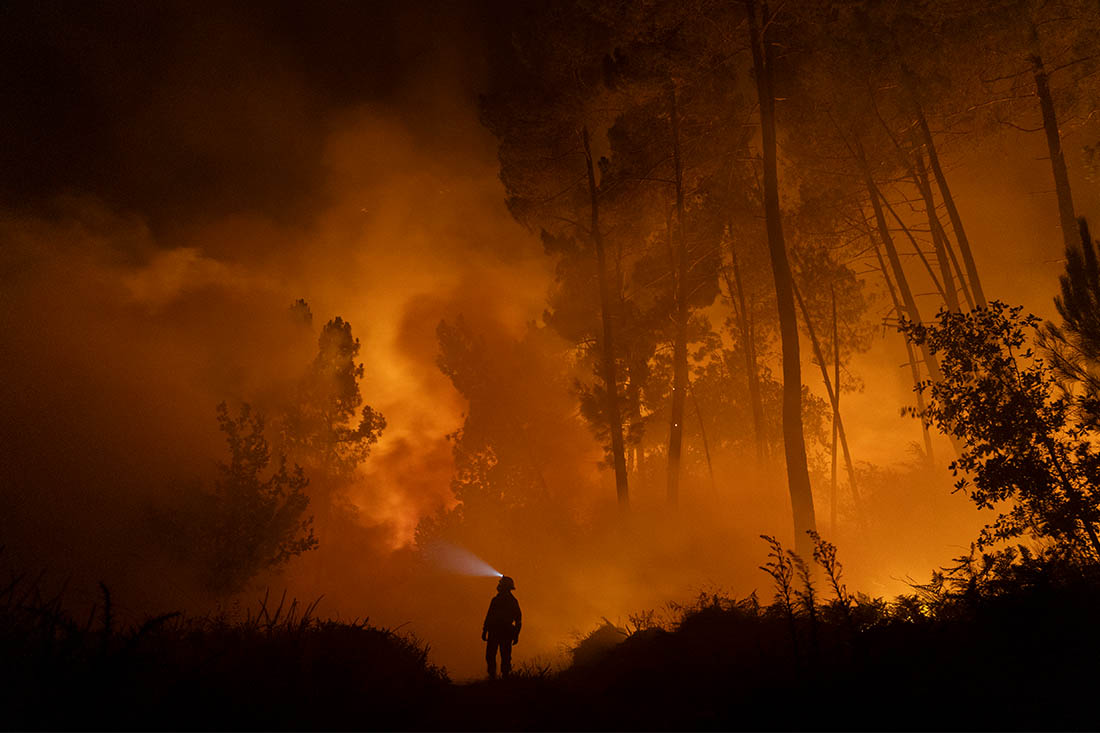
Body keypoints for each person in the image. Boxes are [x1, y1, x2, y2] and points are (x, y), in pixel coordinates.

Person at [482, 575, 521, 679]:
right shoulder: (510, 601)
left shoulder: (500, 600)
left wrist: (485, 630)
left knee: (502, 656)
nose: (498, 586)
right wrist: (516, 634)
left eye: (500, 584)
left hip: (499, 631)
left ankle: (499, 678)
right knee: (498, 656)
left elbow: (518, 620)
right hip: (502, 632)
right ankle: (498, 677)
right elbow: (518, 620)